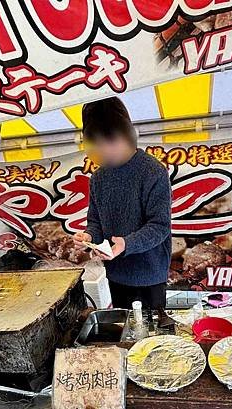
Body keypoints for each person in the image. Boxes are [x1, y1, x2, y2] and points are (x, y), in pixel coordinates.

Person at [74, 97, 172, 309]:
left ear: (125, 136)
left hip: (149, 275)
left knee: (151, 336)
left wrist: (127, 244)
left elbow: (160, 226)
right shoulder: (98, 178)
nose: (103, 152)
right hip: (116, 273)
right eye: (96, 145)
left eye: (108, 143)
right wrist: (89, 236)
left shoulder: (152, 171)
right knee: (124, 331)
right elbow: (95, 221)